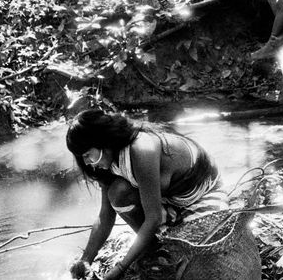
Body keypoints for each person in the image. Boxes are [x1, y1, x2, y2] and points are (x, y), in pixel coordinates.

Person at [66, 109, 227, 280]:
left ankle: (156, 248)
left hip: (201, 196)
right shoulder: (107, 163)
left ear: (102, 143)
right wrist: (86, 260)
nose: (86, 163)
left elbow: (154, 218)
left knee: (196, 252)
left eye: (87, 155)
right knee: (118, 193)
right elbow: (105, 216)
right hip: (169, 200)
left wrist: (120, 268)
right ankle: (153, 248)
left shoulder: (142, 149)